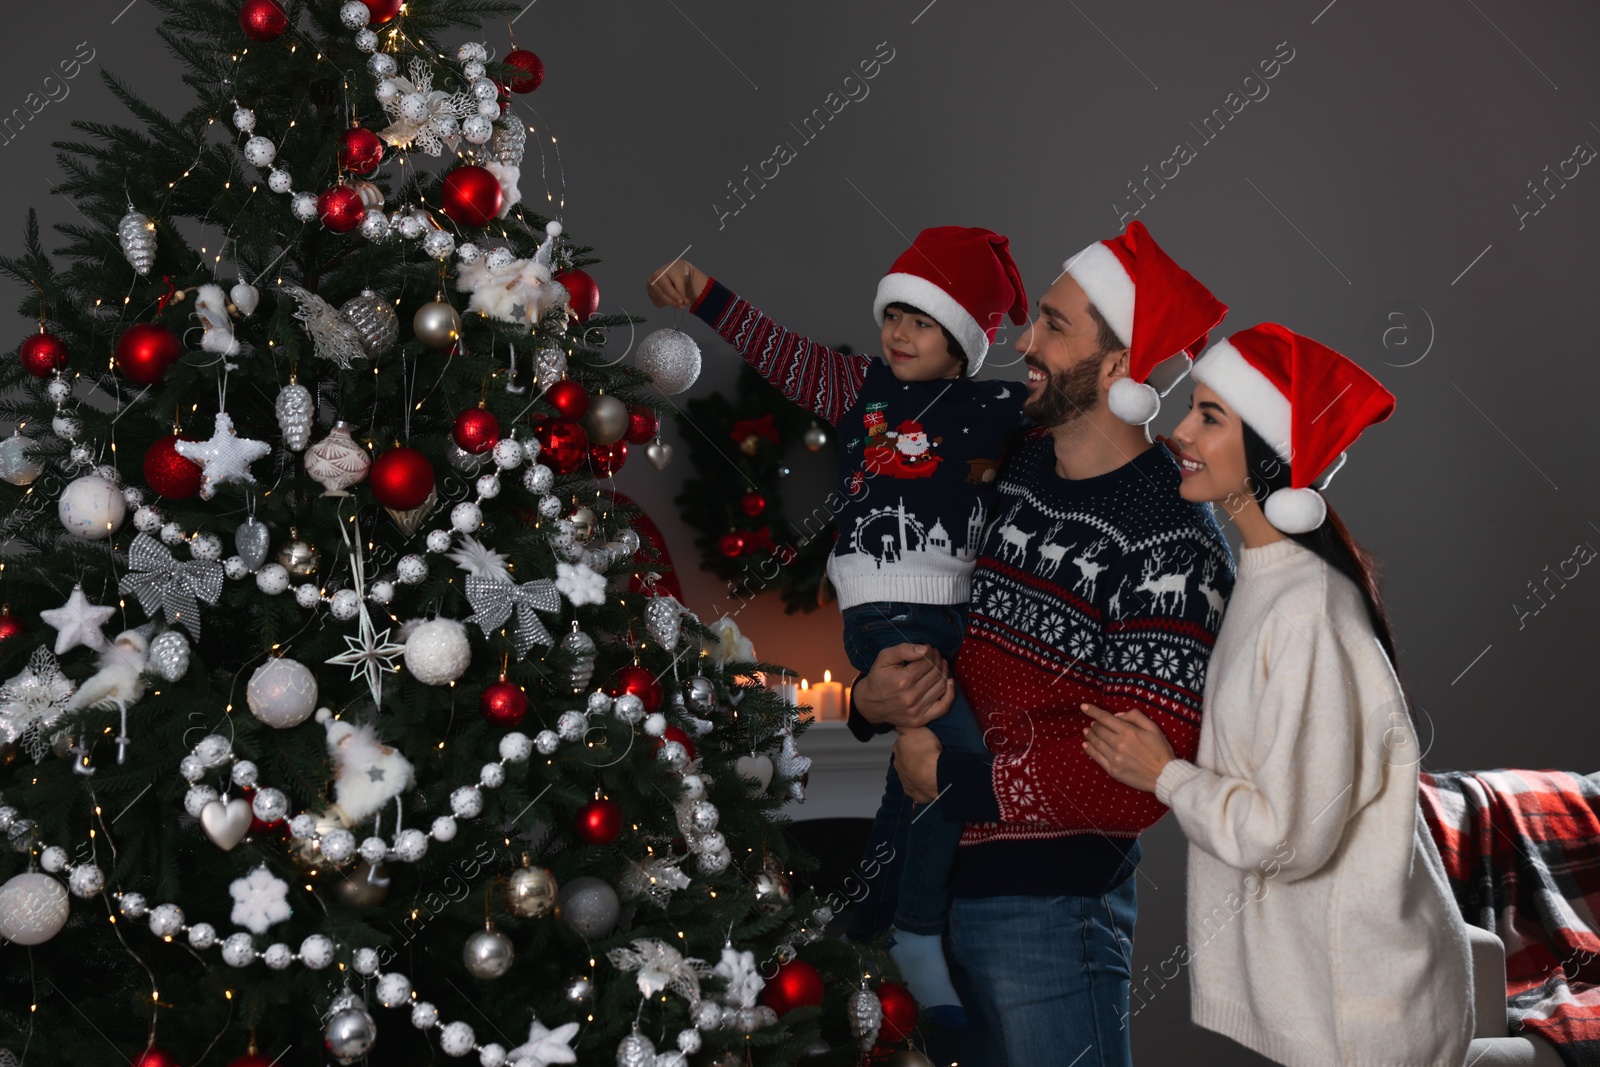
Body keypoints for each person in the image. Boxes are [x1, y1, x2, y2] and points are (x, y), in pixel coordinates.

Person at [854, 221, 1233, 1066]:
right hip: (935, 885)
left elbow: (1143, 775)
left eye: (1055, 326)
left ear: (1120, 367)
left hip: (1048, 916)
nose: (1024, 341)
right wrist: (867, 700)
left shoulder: (1174, 537)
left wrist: (954, 778)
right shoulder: (1012, 464)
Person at [646, 226, 1031, 1021]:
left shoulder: (999, 408)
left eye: (921, 321)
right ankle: (921, 931)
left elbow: (1079, 436)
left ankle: (863, 922)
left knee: (911, 780)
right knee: (957, 757)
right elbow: (780, 351)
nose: (898, 332)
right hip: (885, 609)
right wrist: (706, 291)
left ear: (962, 338)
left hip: (959, 614)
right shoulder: (861, 388)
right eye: (893, 314)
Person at [1080, 323, 1475, 1066]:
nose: (1177, 430)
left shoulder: (1306, 609)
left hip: (1365, 1018)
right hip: (1332, 1006)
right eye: (1190, 409)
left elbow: (1290, 836)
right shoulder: (1263, 583)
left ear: (1268, 449)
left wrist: (1163, 772)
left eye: (1209, 416)